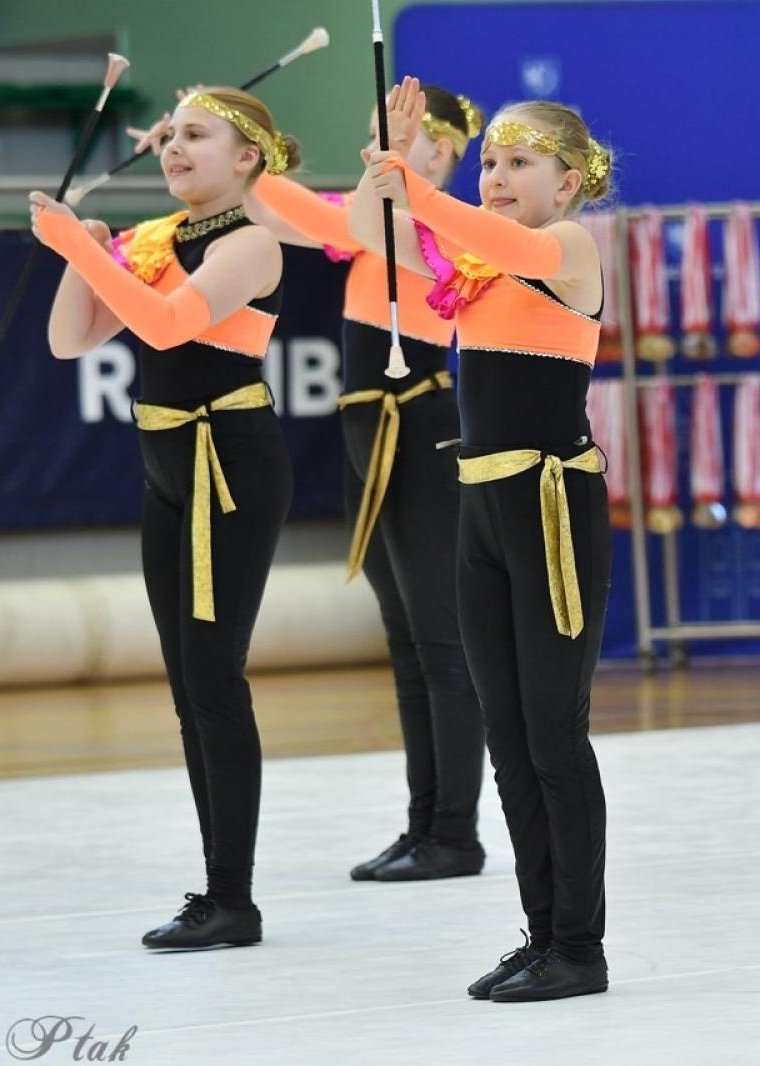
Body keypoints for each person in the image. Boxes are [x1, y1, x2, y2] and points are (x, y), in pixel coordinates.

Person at [351, 77, 613, 1000]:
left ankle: (580, 946)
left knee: (553, 735)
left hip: (549, 508)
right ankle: (542, 934)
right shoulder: (477, 267)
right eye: (491, 161)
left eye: (519, 162)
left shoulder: (567, 247)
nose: (497, 176)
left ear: (572, 180)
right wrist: (380, 157)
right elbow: (372, 236)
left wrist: (415, 186)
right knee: (506, 734)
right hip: (480, 513)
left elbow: (488, 234)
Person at [34, 87, 300, 948]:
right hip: (167, 470)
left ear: (247, 157)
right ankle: (217, 888)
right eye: (171, 135)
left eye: (198, 136)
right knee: (190, 686)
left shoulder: (252, 242)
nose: (175, 148)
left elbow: (169, 321)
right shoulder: (163, 240)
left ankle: (236, 898)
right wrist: (91, 254)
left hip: (228, 465)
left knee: (216, 678)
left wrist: (83, 242)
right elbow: (72, 338)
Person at [241, 86, 491, 883]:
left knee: (443, 643)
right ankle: (424, 825)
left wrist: (385, 166)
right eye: (372, 136)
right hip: (365, 430)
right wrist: (233, 139)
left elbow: (324, 216)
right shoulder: (366, 221)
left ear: (441, 155)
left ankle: (456, 830)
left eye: (403, 137)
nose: (373, 149)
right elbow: (271, 204)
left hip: (418, 428)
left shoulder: (431, 230)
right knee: (407, 641)